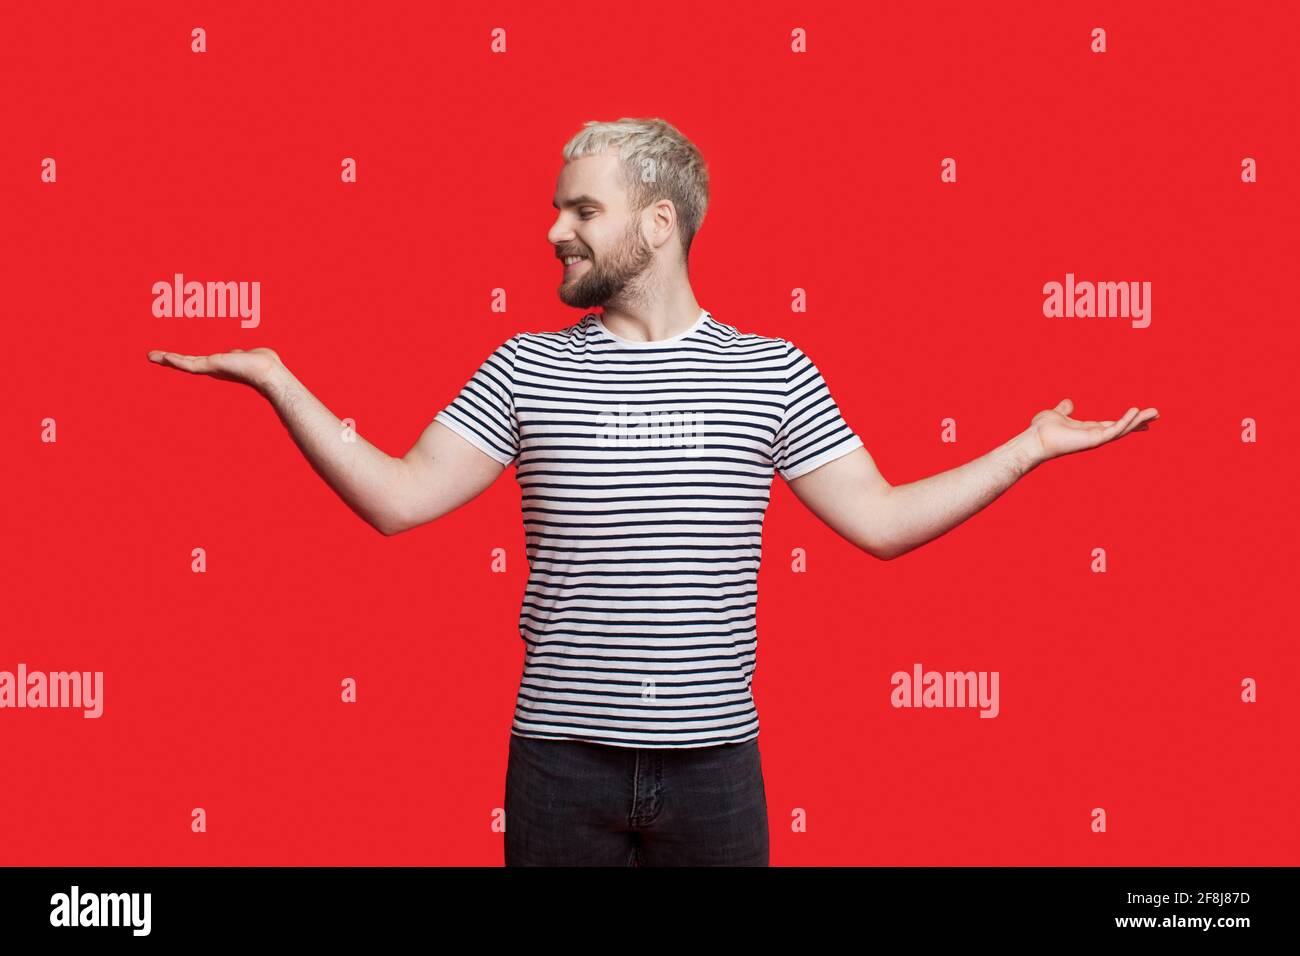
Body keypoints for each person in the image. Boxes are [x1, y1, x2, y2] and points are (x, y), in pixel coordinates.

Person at [147, 117, 1158, 867]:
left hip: (716, 768)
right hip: (558, 766)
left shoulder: (772, 372)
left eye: (583, 208)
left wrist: (1022, 449)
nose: (554, 230)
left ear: (659, 221)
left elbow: (882, 520)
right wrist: (280, 378)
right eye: (555, 207)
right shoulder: (523, 367)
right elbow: (399, 498)